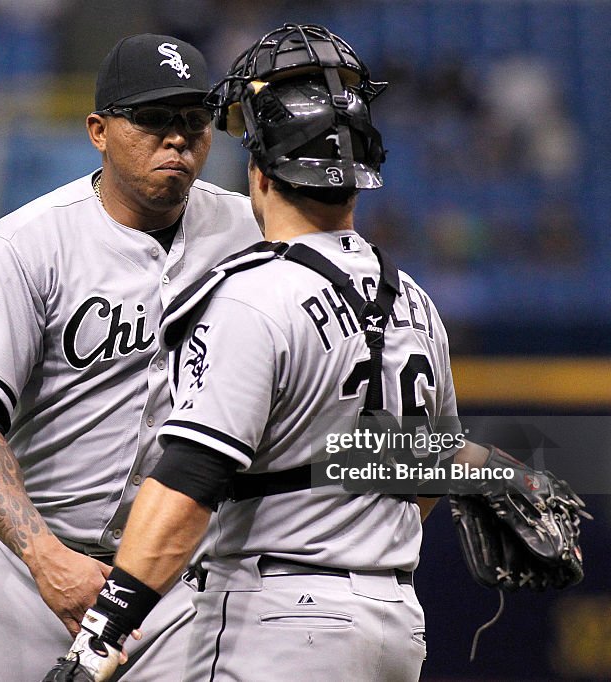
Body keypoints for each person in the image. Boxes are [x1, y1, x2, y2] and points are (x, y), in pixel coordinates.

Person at [43, 24, 485, 682]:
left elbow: (188, 484)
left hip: (279, 617)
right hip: (394, 621)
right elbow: (426, 479)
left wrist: (101, 636)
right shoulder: (415, 302)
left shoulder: (252, 297)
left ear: (261, 172)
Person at [0, 33, 261, 681]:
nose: (178, 139)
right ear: (98, 130)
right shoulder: (28, 242)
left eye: (195, 121)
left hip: (179, 587)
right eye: (153, 119)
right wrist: (44, 557)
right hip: (34, 578)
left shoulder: (251, 232)